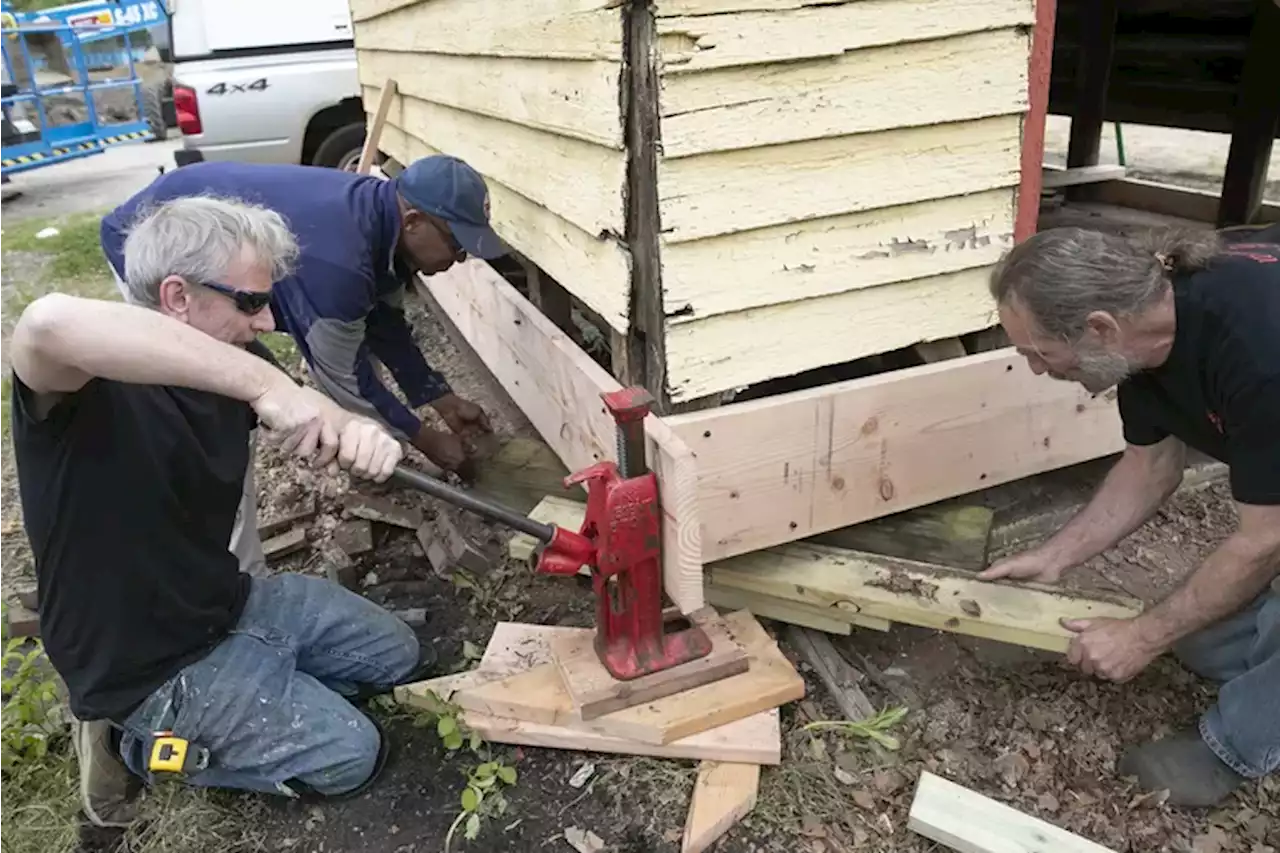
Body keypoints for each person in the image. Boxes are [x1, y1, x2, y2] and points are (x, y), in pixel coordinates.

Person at [12, 196, 429, 833]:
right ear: (177, 296)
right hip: (143, 663)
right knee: (352, 754)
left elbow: (317, 410)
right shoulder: (80, 388)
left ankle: (257, 679)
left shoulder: (240, 367)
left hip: (225, 604)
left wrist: (356, 431)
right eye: (250, 302)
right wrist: (270, 389)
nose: (266, 322)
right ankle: (140, 747)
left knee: (397, 655)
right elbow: (43, 323)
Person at [981, 223, 1280, 807]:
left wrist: (1144, 636)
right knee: (1205, 646)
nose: (1038, 370)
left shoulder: (1259, 354)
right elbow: (1150, 468)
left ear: (1098, 327)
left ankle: (1237, 745)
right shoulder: (1141, 336)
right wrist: (1054, 556)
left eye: (1040, 352)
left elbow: (1264, 540)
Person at [99, 154, 502, 477]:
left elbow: (387, 327)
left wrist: (440, 399)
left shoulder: (384, 226)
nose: (460, 258)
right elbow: (344, 380)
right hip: (154, 239)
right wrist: (424, 438)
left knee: (250, 351)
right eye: (456, 244)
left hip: (215, 232)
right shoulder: (341, 268)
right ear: (414, 222)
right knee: (209, 390)